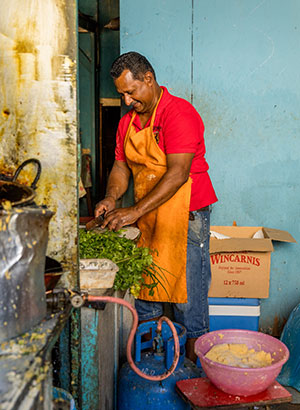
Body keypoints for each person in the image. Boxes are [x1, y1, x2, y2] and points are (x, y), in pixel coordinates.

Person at [95, 51, 218, 362]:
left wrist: (134, 211)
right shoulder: (127, 123)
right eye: (121, 94)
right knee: (148, 297)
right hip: (149, 218)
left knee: (188, 304)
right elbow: (121, 167)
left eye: (130, 92)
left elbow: (177, 174)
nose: (125, 100)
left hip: (187, 218)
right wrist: (112, 198)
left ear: (148, 80)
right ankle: (153, 369)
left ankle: (193, 376)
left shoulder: (179, 114)